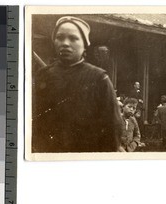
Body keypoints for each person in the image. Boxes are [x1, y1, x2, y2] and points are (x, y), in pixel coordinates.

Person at [32, 16, 122, 152]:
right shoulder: (43, 75)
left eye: (73, 38)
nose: (65, 43)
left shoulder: (99, 78)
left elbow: (112, 128)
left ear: (85, 44)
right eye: (60, 37)